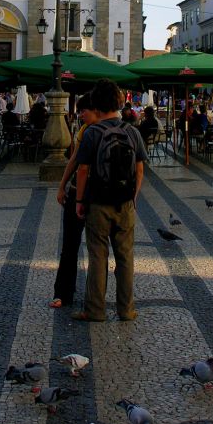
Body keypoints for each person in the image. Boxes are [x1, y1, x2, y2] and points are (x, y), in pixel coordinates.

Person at [72, 79, 147, 322]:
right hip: (125, 204)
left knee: (97, 255)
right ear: (118, 102)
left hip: (98, 203)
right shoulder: (132, 131)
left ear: (96, 104)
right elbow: (140, 169)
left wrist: (79, 200)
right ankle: (126, 309)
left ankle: (95, 310)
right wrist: (133, 196)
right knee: (125, 257)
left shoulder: (93, 133)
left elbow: (82, 170)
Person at [51, 93, 99, 308]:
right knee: (70, 245)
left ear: (95, 110)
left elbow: (83, 167)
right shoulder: (84, 130)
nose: (80, 115)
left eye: (83, 111)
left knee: (96, 249)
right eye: (79, 111)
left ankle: (93, 298)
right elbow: (75, 158)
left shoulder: (101, 132)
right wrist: (62, 185)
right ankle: (63, 293)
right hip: (80, 193)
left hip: (93, 195)